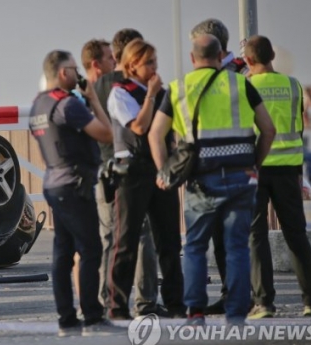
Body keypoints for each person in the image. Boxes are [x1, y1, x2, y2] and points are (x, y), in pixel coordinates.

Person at [149, 34, 276, 325]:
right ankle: (236, 313)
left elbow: (155, 133)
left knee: (195, 246)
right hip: (241, 177)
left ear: (193, 59)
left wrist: (163, 171)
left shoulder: (179, 88)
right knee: (237, 247)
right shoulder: (240, 83)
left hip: (200, 181)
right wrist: (254, 164)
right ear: (221, 56)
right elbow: (267, 129)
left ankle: (194, 311)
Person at [29, 49, 122, 337]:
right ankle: (92, 317)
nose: (76, 73)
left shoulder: (38, 104)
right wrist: (93, 98)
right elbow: (107, 134)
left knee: (63, 253)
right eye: (72, 68)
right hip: (75, 185)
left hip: (55, 183)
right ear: (61, 73)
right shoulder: (68, 104)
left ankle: (67, 319)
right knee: (90, 248)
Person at [243, 35, 311, 318]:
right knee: (296, 235)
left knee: (256, 235)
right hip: (290, 168)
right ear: (272, 57)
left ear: (248, 60)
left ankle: (264, 303)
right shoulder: (294, 85)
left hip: (256, 167)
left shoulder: (246, 86)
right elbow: (299, 127)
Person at [105, 38, 186, 320]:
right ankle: (117, 306)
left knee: (169, 241)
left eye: (155, 61)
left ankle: (176, 304)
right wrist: (151, 95)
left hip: (159, 168)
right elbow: (139, 127)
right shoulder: (120, 93)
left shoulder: (163, 92)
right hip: (132, 171)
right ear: (132, 65)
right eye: (148, 62)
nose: (155, 67)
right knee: (126, 241)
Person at [94, 28, 165, 318]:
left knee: (111, 239)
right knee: (143, 237)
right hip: (133, 168)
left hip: (104, 170)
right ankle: (145, 300)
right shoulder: (129, 87)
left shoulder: (97, 86)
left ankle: (106, 300)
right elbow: (145, 128)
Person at [189, 18, 249, 315]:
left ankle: (242, 299)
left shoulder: (238, 73)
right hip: (237, 167)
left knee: (228, 242)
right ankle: (234, 298)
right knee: (226, 243)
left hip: (229, 169)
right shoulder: (238, 72)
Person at [70, 38, 115, 300]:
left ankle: (93, 300)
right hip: (91, 176)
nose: (115, 62)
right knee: (93, 241)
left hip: (95, 173)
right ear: (96, 64)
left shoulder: (101, 91)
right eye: (110, 58)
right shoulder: (81, 99)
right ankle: (93, 300)